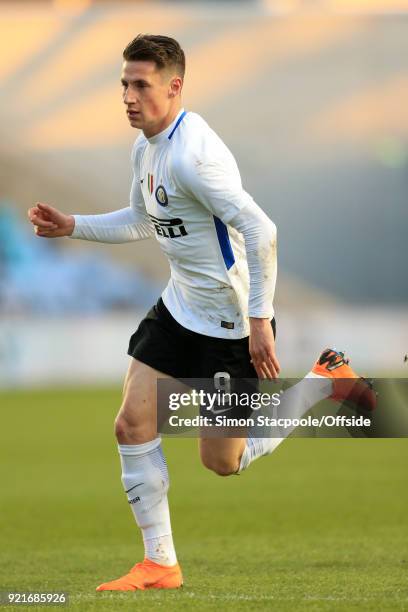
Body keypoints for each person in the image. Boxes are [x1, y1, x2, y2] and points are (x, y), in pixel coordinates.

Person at [28, 34, 375, 592]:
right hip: (178, 305)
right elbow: (144, 220)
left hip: (230, 325)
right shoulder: (146, 146)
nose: (129, 96)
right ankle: (160, 564)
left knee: (223, 463)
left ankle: (322, 382)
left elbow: (263, 230)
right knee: (131, 422)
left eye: (141, 85)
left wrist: (259, 322)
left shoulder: (194, 157)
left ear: (174, 86)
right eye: (124, 83)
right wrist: (74, 225)